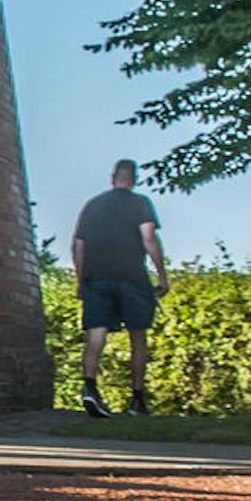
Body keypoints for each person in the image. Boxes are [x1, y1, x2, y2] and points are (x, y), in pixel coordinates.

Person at [71, 159, 168, 416]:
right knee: (138, 336)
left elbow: (78, 245)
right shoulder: (140, 203)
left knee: (96, 334)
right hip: (131, 277)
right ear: (133, 179)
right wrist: (162, 275)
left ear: (112, 177)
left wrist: (80, 281)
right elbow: (148, 238)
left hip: (96, 277)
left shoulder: (93, 205)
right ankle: (137, 399)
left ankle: (90, 389)